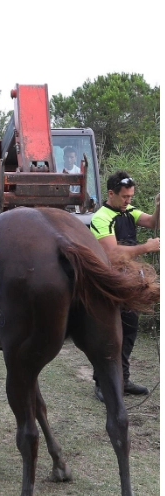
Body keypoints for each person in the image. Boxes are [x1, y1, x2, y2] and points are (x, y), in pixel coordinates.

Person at [88, 171, 159, 402]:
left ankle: (123, 379)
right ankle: (103, 383)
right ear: (111, 194)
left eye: (131, 196)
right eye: (125, 197)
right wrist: (146, 248)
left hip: (129, 280)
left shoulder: (127, 211)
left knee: (129, 331)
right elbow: (112, 252)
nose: (129, 200)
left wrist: (159, 206)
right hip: (109, 282)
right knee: (108, 333)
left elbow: (152, 222)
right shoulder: (101, 217)